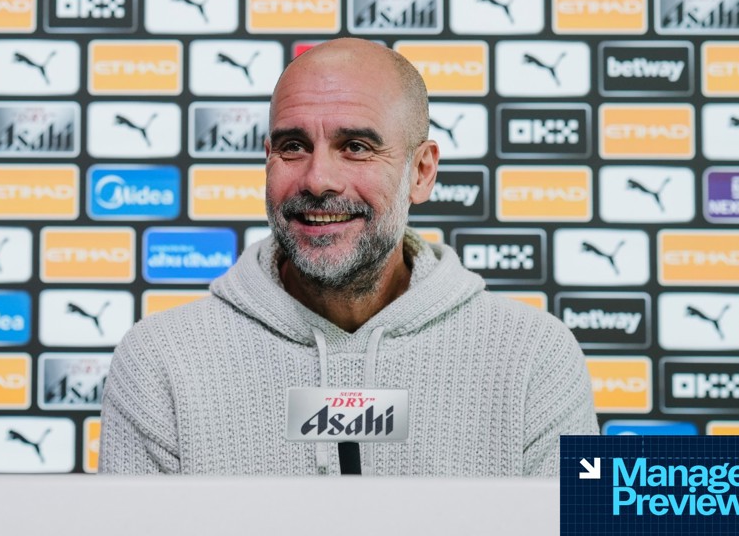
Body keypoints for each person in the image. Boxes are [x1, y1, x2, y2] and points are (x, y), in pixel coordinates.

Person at [99, 38, 597, 476]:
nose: (318, 180)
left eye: (356, 146)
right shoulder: (160, 362)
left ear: (421, 172)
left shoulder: (534, 358)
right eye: (293, 146)